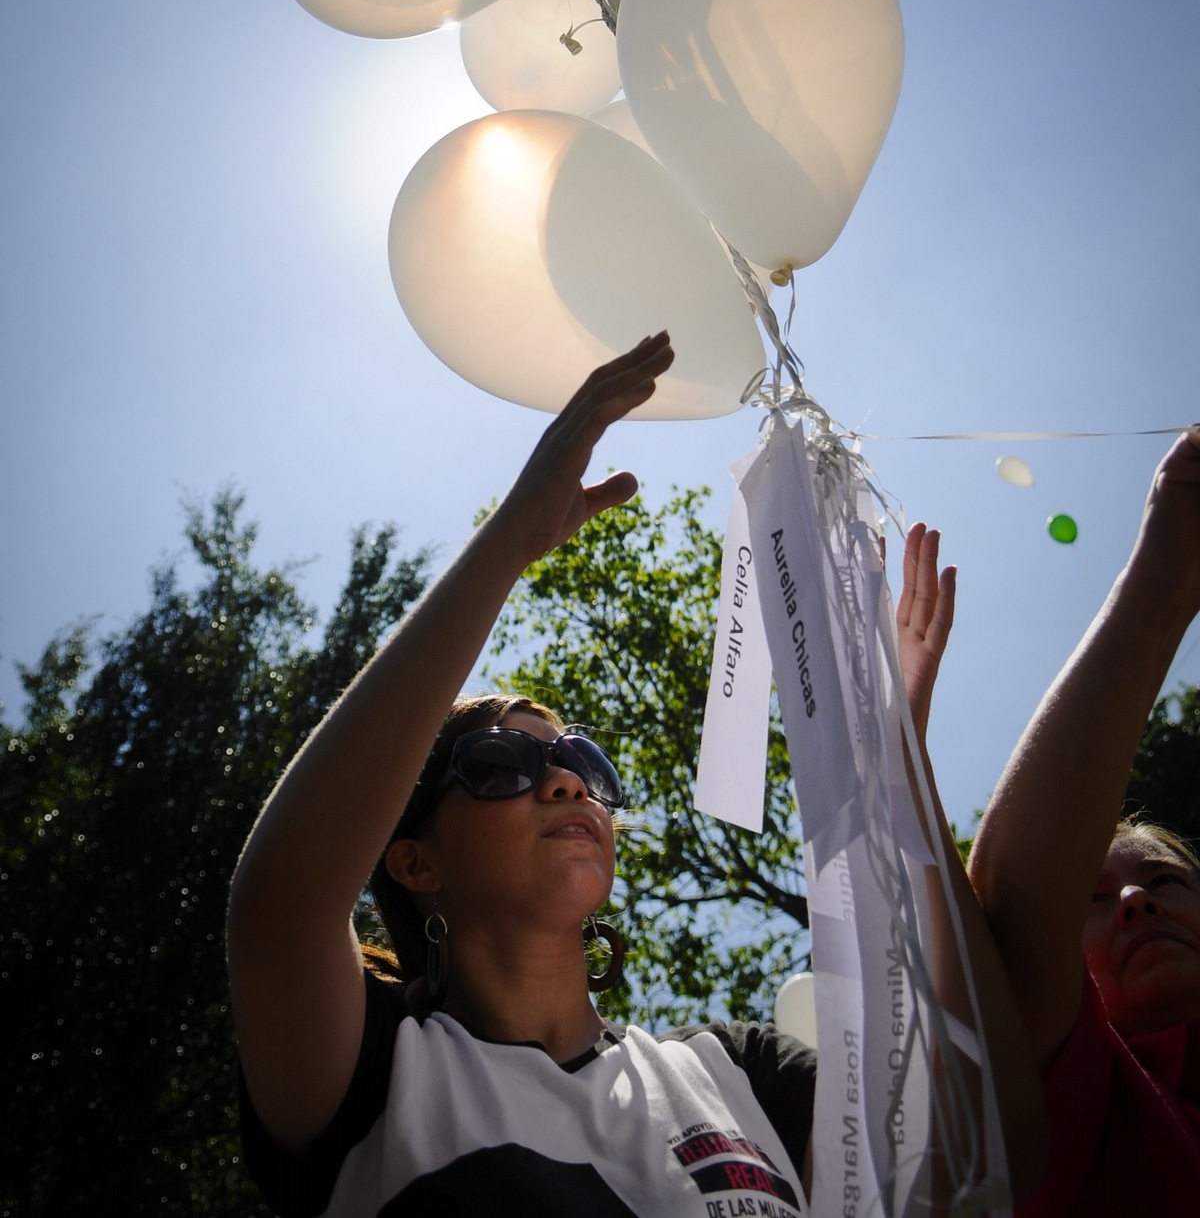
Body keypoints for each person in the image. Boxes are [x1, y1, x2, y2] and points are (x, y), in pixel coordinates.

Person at [228, 334, 1043, 1215]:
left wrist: (893, 786)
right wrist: (506, 547)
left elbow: (991, 1158)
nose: (568, 783)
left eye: (584, 762)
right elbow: (281, 903)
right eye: (501, 765)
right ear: (414, 859)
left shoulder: (741, 1072)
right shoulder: (376, 1068)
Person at [967, 424, 1200, 1216]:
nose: (1139, 901)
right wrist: (1166, 576)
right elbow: (1011, 909)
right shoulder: (1083, 1100)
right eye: (1095, 899)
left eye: (1167, 881)